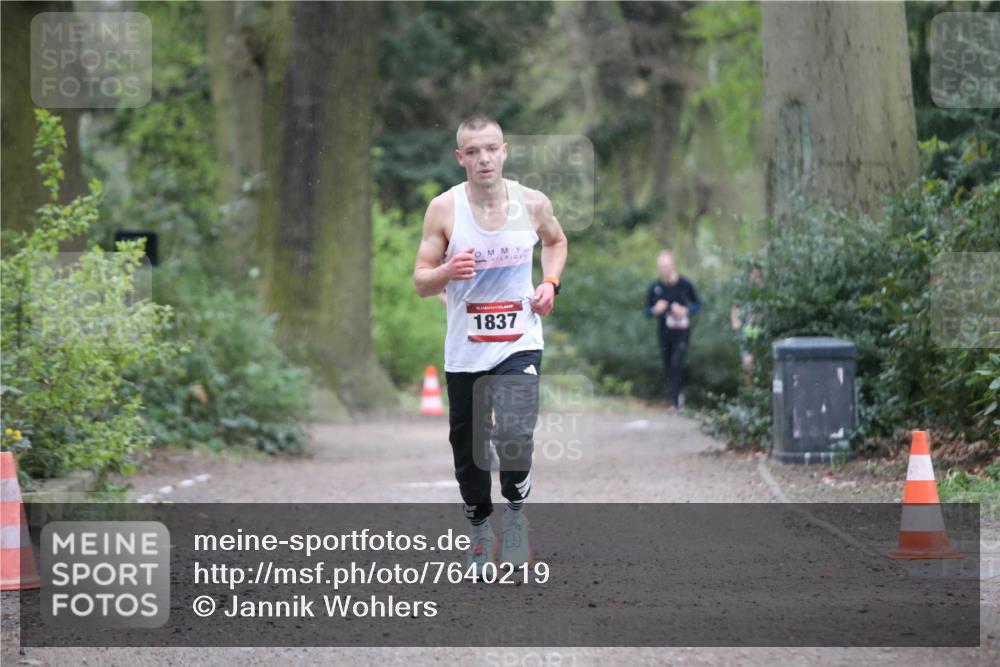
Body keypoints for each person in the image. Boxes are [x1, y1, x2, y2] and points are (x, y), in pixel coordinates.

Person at [412, 115, 568, 579]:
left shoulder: (532, 202)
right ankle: (481, 529)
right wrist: (445, 273)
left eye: (491, 149)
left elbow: (556, 242)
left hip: (520, 340)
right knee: (470, 448)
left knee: (515, 434)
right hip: (466, 350)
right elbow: (421, 281)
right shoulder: (444, 209)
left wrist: (550, 283)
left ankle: (516, 516)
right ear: (461, 158)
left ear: (505, 152)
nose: (483, 158)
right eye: (473, 151)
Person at [645, 249, 701, 411]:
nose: (664, 269)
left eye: (667, 266)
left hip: (681, 331)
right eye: (661, 267)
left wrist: (685, 311)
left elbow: (698, 304)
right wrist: (655, 310)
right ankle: (675, 397)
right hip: (664, 332)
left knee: (676, 362)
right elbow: (646, 311)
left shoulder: (685, 284)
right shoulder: (655, 287)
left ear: (673, 265)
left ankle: (673, 402)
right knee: (668, 365)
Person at [730, 264, 763, 386]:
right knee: (748, 362)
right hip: (747, 331)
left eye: (758, 274)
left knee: (760, 364)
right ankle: (750, 391)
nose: (755, 277)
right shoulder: (744, 289)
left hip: (762, 331)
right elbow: (735, 305)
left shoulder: (764, 289)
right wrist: (735, 321)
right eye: (753, 274)